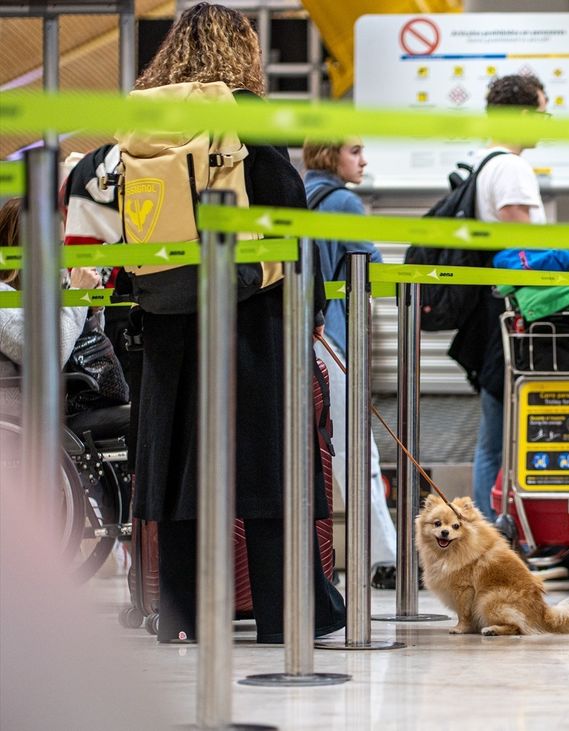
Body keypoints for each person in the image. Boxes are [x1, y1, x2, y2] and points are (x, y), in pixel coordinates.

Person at [129, 2, 345, 643]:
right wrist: (308, 308)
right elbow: (289, 216)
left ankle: (182, 617)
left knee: (182, 474)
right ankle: (287, 614)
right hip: (253, 321)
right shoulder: (247, 117)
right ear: (242, 51)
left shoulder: (146, 123)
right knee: (269, 470)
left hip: (169, 318)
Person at [301, 138, 400, 589]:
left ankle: (310, 557)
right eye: (355, 150)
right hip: (332, 340)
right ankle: (386, 558)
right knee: (358, 450)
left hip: (295, 340)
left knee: (305, 453)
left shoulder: (298, 195)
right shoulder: (342, 201)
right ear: (330, 153)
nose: (364, 159)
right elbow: (371, 268)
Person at [455, 73, 550, 523]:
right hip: (511, 314)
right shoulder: (510, 168)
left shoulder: (485, 162)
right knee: (498, 436)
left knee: (494, 434)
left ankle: (491, 534)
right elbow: (523, 245)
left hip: (494, 311)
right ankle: (491, 536)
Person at [0, 198, 101, 416]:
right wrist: (77, 296)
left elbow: (85, 348)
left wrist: (91, 312)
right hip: (24, 417)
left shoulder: (42, 289)